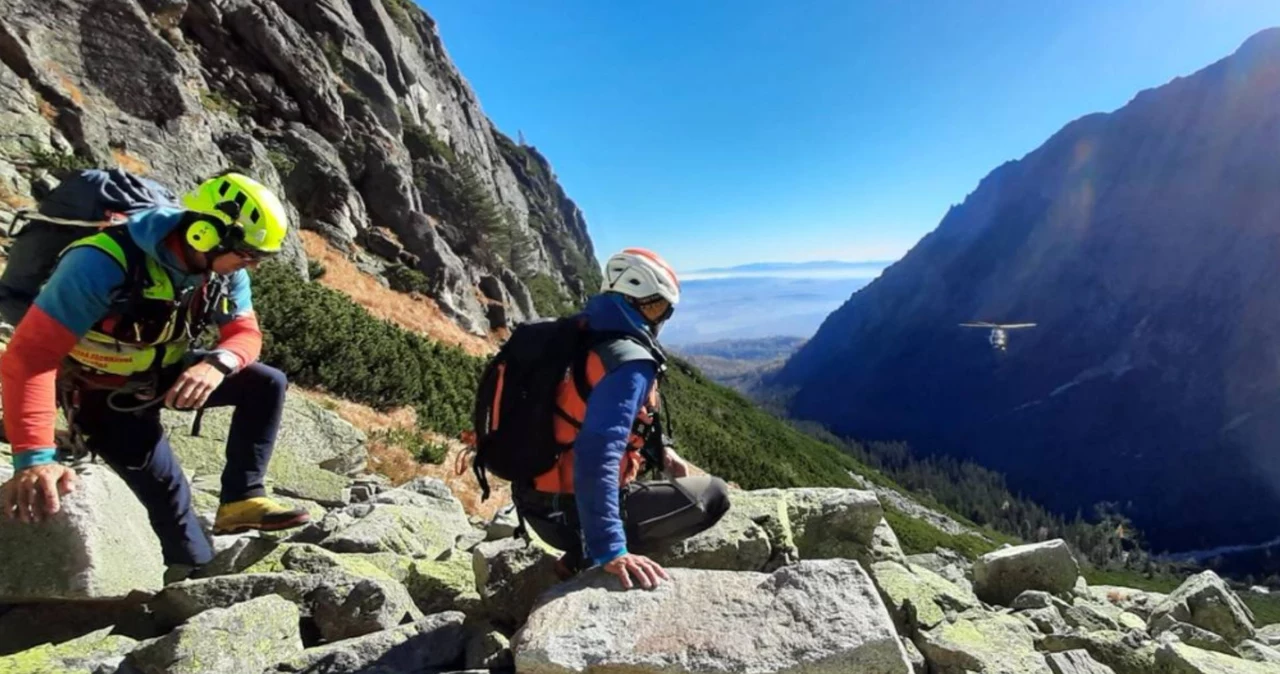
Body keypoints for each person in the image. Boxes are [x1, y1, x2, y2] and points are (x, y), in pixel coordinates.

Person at [0, 171, 309, 577]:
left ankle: (240, 500)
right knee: (171, 498)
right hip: (104, 395)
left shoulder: (224, 271)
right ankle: (185, 590)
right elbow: (31, 357)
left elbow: (245, 334)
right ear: (204, 233)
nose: (250, 265)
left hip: (160, 373)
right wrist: (36, 459)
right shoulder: (100, 262)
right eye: (248, 254)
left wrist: (217, 364)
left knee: (266, 383)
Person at [511, 248, 730, 590]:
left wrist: (663, 452)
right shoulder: (628, 362)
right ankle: (585, 557)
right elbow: (597, 452)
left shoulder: (578, 333)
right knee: (713, 495)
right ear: (637, 304)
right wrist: (610, 548)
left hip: (534, 501)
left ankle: (578, 553)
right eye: (657, 308)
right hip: (569, 516)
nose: (659, 320)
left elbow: (578, 409)